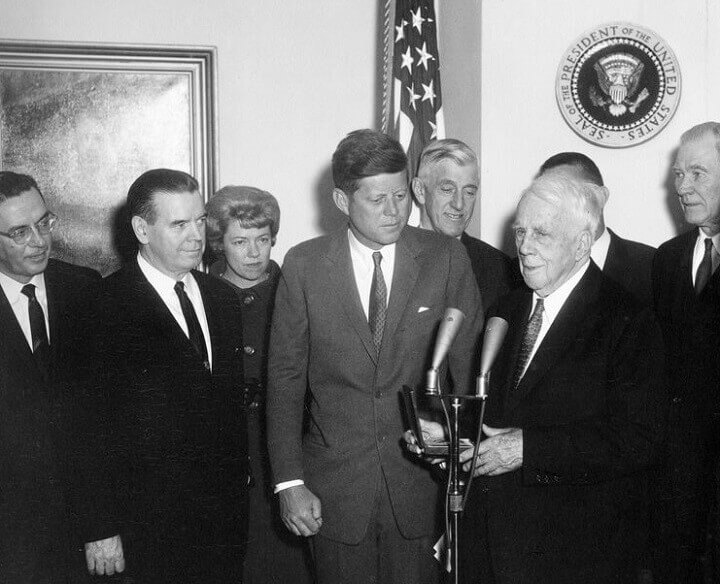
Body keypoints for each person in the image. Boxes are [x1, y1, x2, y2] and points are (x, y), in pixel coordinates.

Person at [267, 129, 483, 584]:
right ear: (343, 201)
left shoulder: (446, 259)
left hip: (420, 489)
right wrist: (289, 482)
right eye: (378, 199)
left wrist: (457, 453)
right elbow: (284, 383)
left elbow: (468, 374)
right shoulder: (304, 265)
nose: (394, 211)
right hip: (333, 492)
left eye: (402, 196)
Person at [455, 174, 666, 583]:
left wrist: (528, 448)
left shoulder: (627, 319)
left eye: (542, 234)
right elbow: (498, 413)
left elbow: (640, 437)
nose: (525, 246)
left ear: (582, 243)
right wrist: (448, 429)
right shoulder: (508, 309)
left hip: (577, 550)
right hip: (495, 543)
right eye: (520, 231)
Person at [74, 169, 248, 583]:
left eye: (200, 220)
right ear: (141, 229)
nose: (196, 236)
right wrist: (99, 528)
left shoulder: (222, 297)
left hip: (222, 527)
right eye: (179, 224)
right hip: (145, 531)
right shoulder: (101, 307)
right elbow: (84, 430)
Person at [206, 186, 312, 584]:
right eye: (240, 241)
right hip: (224, 464)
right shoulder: (199, 294)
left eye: (263, 240)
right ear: (218, 243)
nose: (254, 253)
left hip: (284, 459)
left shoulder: (297, 292)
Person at [0, 171, 100, 584]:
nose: (39, 241)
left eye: (44, 223)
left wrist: (101, 524)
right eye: (20, 232)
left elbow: (104, 423)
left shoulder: (85, 290)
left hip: (82, 537)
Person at [651, 122, 720, 583]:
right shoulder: (668, 258)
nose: (683, 187)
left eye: (698, 173)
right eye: (679, 175)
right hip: (680, 478)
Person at [538, 152, 656, 305]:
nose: (554, 205)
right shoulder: (526, 268)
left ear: (600, 197)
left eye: (568, 193)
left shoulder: (652, 266)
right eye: (545, 196)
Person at [412, 138, 515, 314]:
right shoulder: (391, 256)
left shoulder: (500, 270)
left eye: (469, 192)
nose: (459, 204)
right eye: (447, 189)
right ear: (420, 190)